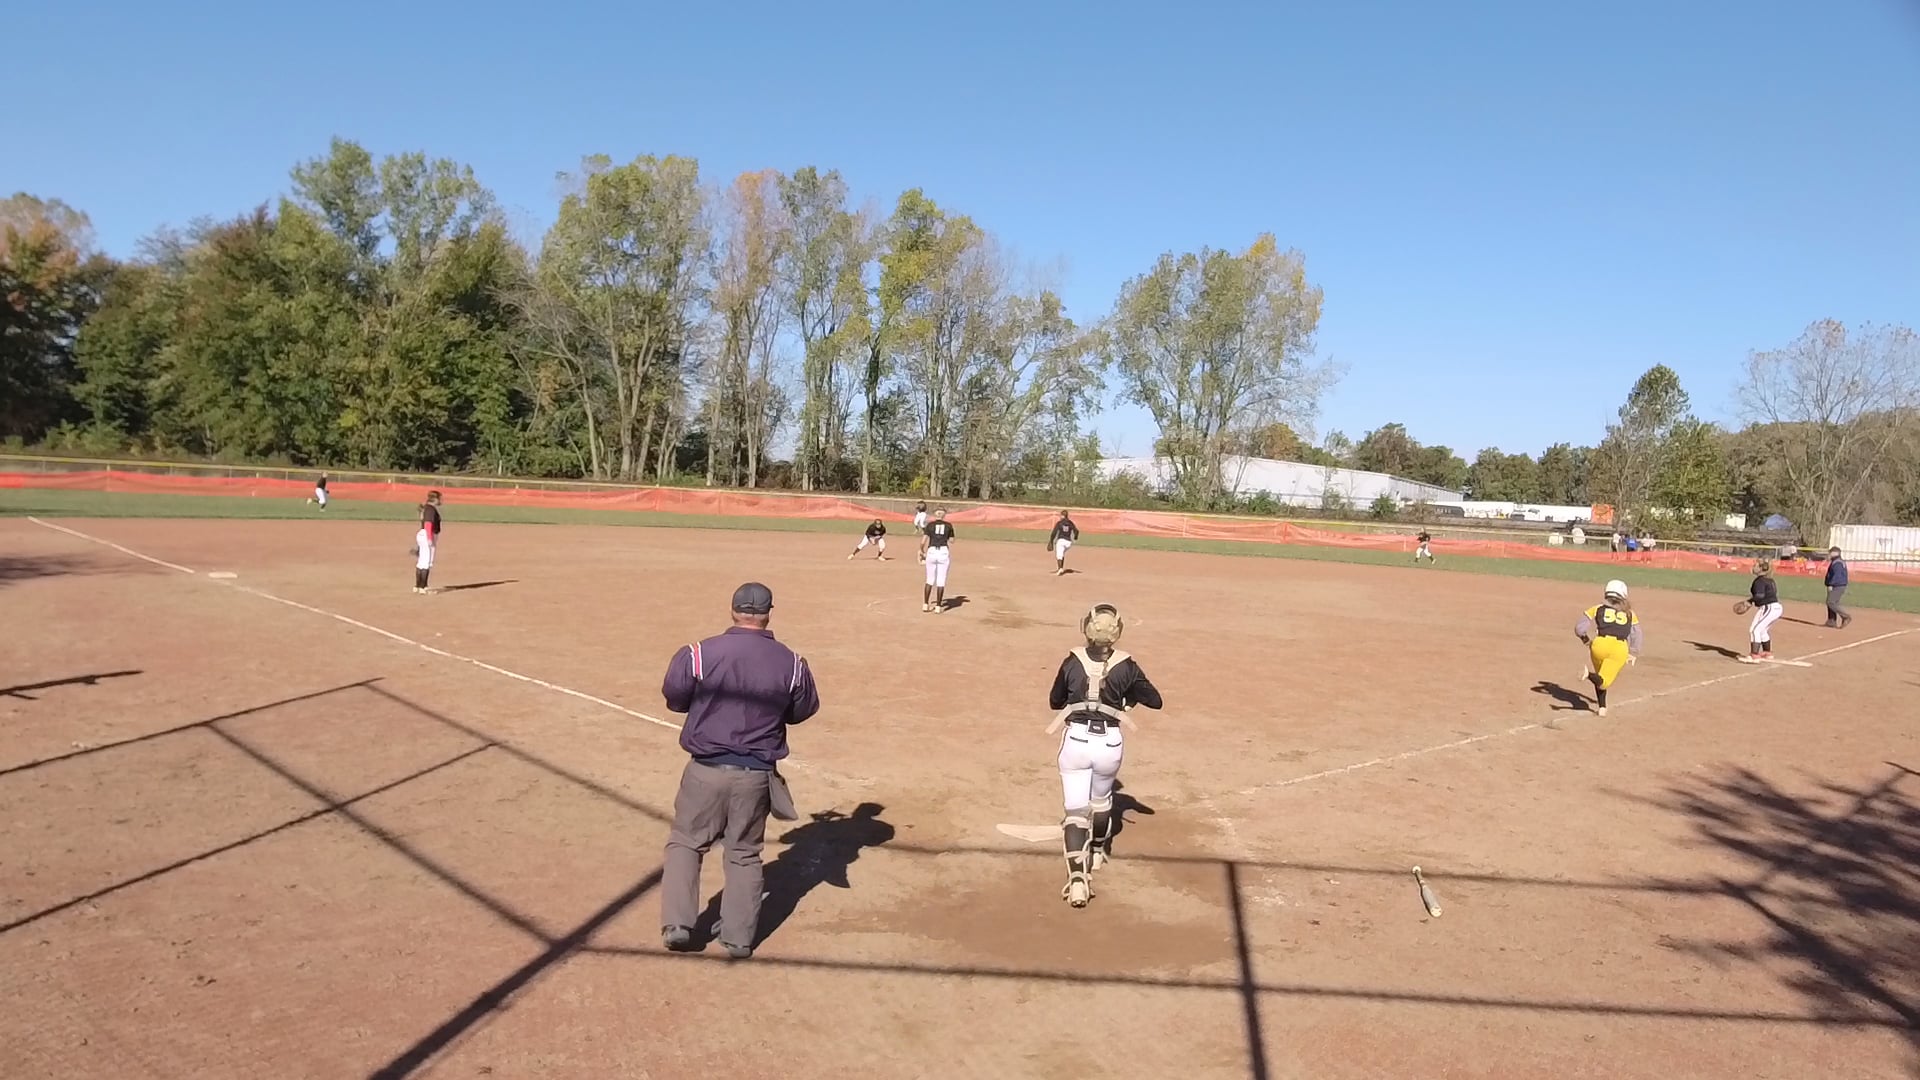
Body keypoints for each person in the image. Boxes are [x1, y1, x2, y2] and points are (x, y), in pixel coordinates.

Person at [659, 582, 820, 960]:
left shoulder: (699, 653)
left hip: (706, 769)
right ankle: (737, 937)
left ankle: (678, 924)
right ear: (768, 614)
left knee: (686, 842)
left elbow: (675, 698)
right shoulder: (793, 663)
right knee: (744, 852)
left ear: (733, 610)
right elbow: (802, 711)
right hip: (756, 775)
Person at [1047, 603, 1162, 908]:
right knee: (1101, 801)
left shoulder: (1072, 661)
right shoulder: (1127, 665)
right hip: (1109, 743)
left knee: (1075, 812)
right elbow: (1155, 701)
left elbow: (1055, 701)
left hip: (1076, 740)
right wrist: (1127, 698)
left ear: (1087, 629)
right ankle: (1097, 851)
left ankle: (1077, 881)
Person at [1575, 579, 1642, 717]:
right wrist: (1633, 652)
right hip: (1618, 648)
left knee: (1600, 675)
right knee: (1604, 682)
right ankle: (1588, 675)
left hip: (1599, 645)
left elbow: (1579, 628)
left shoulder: (1597, 608)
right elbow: (1637, 634)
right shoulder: (1630, 613)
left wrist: (1586, 641)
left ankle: (1602, 707)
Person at [1737, 559, 1784, 663]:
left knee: (1754, 630)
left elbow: (1760, 595)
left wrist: (1749, 601)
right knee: (1762, 630)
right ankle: (1767, 653)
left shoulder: (1759, 581)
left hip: (1768, 607)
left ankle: (1754, 655)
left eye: (1755, 566)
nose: (1753, 567)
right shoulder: (1769, 579)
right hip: (1774, 607)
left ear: (1761, 568)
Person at [920, 508, 956, 612]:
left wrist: (921, 551)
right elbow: (952, 540)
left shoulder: (930, 525)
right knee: (941, 580)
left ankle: (925, 604)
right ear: (944, 515)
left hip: (932, 550)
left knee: (929, 579)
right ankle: (938, 606)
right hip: (943, 551)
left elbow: (923, 541)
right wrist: (945, 536)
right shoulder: (948, 525)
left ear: (935, 515)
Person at [411, 490, 443, 594]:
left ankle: (417, 586)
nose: (441, 500)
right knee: (427, 561)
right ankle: (423, 587)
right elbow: (428, 523)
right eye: (439, 498)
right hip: (427, 535)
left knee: (421, 561)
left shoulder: (427, 508)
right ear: (435, 499)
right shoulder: (430, 509)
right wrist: (429, 539)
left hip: (423, 534)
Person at [1824, 547, 1852, 629]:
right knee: (1833, 602)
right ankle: (1831, 621)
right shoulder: (1836, 562)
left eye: (1830, 553)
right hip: (1838, 584)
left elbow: (1837, 576)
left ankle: (1845, 616)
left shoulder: (1837, 563)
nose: (1829, 555)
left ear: (1835, 553)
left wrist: (1831, 584)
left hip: (1838, 585)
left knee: (1831, 602)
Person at [1048, 510, 1080, 576]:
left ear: (1062, 516)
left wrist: (1051, 541)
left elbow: (1054, 533)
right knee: (1061, 553)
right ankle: (1061, 568)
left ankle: (1060, 569)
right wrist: (1075, 537)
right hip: (1068, 542)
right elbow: (1076, 531)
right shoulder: (1070, 523)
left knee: (1059, 555)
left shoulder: (1059, 523)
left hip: (1061, 541)